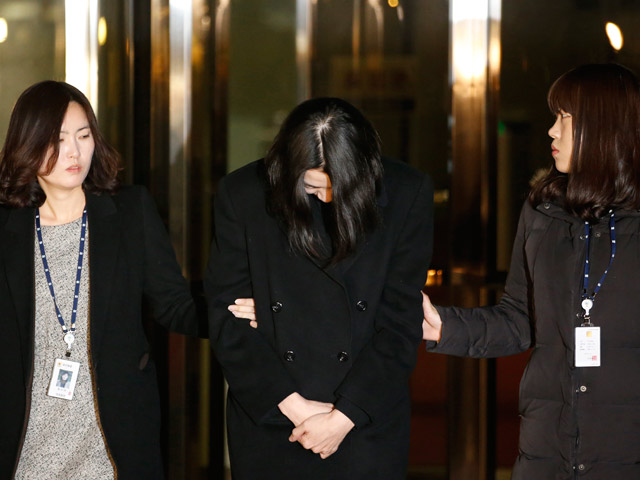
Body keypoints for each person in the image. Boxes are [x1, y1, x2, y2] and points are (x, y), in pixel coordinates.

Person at [422, 63, 640, 479]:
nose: (552, 131)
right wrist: (442, 327)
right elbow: (519, 319)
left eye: (565, 118)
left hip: (624, 454)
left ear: (604, 128)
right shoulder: (543, 210)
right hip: (547, 452)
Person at [205, 97, 433, 479]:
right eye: (312, 186)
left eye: (340, 187)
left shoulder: (407, 193)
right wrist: (295, 408)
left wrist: (342, 417)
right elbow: (226, 318)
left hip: (364, 416)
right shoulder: (243, 193)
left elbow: (399, 321)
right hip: (274, 415)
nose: (327, 197)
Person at [0, 81, 202, 479]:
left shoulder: (129, 212)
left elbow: (175, 305)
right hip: (25, 445)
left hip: (110, 444)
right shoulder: (8, 229)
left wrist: (234, 309)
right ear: (28, 144)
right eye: (57, 140)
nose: (74, 152)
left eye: (83, 135)